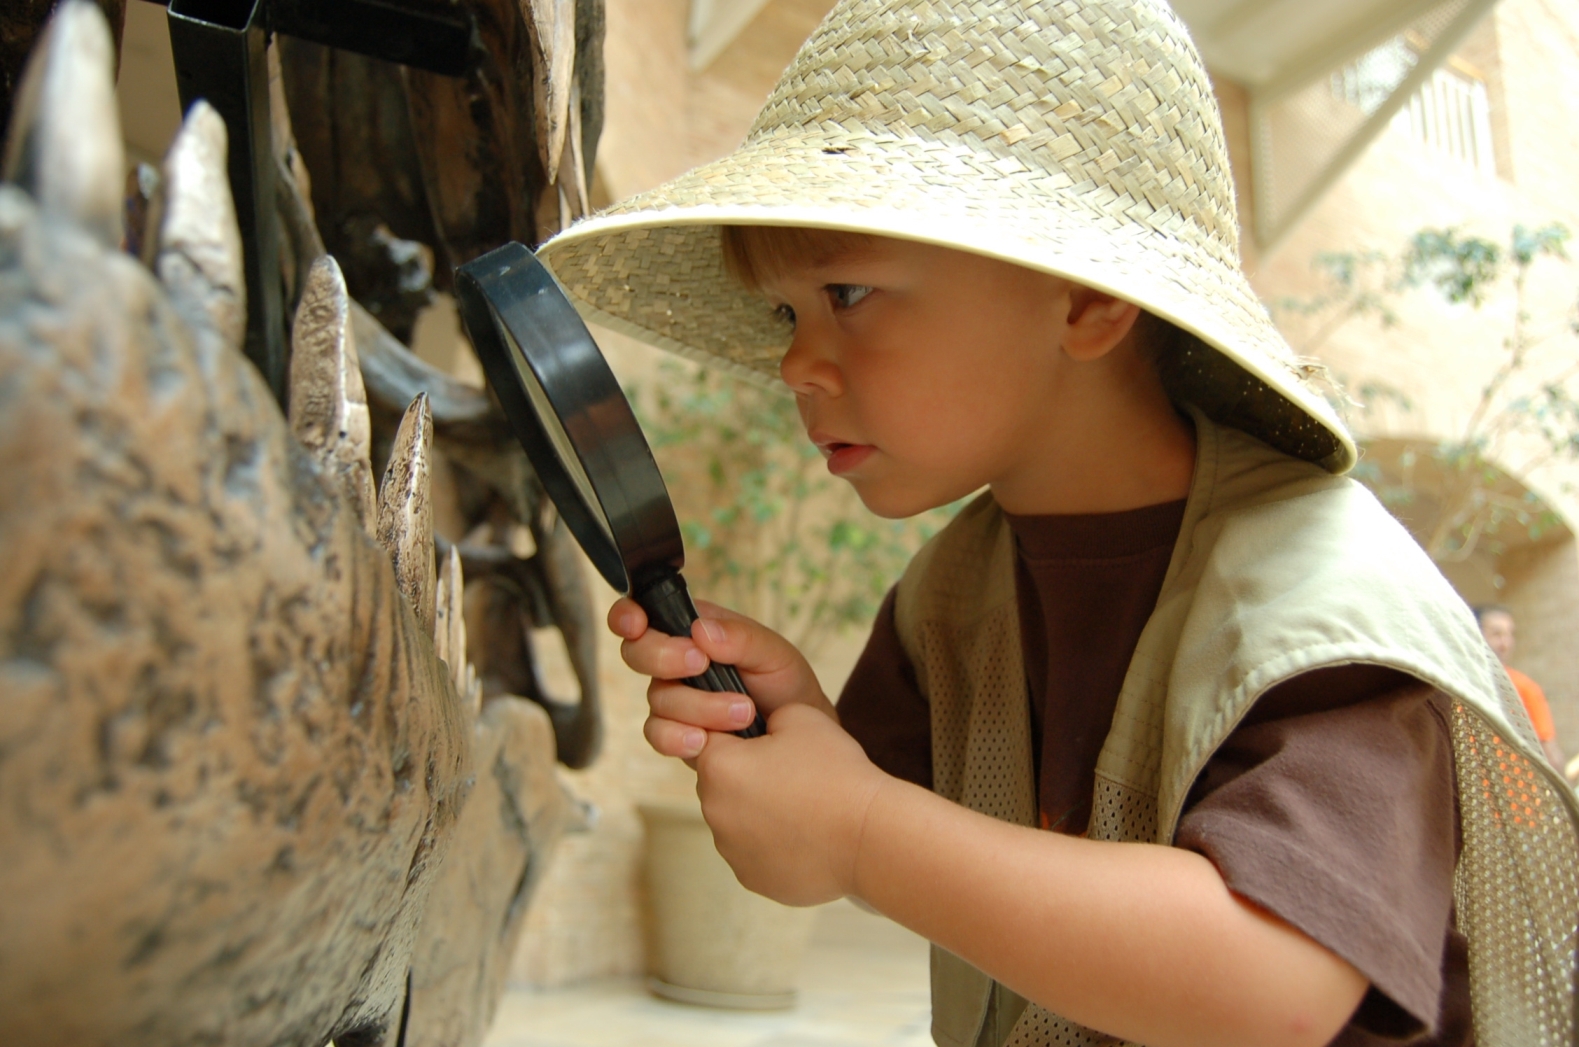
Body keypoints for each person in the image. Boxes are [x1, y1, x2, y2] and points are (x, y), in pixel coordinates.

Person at [538, 2, 1578, 1045]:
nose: (796, 365)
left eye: (848, 291)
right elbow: (862, 859)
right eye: (785, 315)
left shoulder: (1325, 605)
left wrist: (859, 830)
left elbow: (1270, 984)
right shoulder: (951, 599)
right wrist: (799, 747)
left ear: (1083, 302)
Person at [1475, 604, 1566, 771]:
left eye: (1510, 634)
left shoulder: (1524, 688)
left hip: (1522, 794)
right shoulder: (1461, 687)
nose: (1506, 644)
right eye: (1497, 634)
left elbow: (1550, 753)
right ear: (1475, 635)